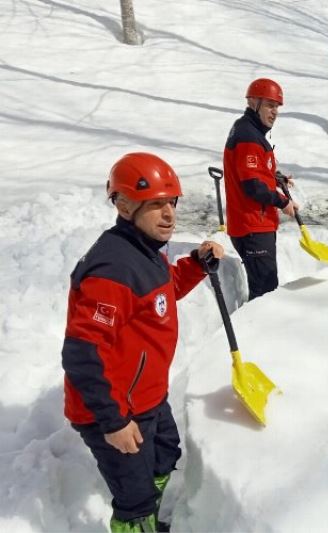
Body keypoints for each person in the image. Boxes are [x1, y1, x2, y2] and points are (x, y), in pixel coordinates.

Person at [61, 153, 224, 532]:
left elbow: (163, 291)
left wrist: (196, 265)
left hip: (146, 397)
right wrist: (113, 421)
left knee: (166, 456)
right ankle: (138, 522)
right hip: (115, 409)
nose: (169, 214)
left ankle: (149, 516)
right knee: (134, 497)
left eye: (172, 203)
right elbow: (83, 352)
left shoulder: (143, 252)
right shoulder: (112, 269)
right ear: (124, 204)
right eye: (156, 205)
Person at [223, 77, 299, 301]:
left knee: (265, 288)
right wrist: (283, 202)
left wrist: (276, 178)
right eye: (269, 105)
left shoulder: (249, 131)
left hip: (254, 224)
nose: (274, 112)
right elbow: (253, 187)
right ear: (253, 103)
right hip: (252, 226)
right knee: (265, 293)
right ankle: (259, 334)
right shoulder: (248, 137)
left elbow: (252, 171)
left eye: (277, 107)